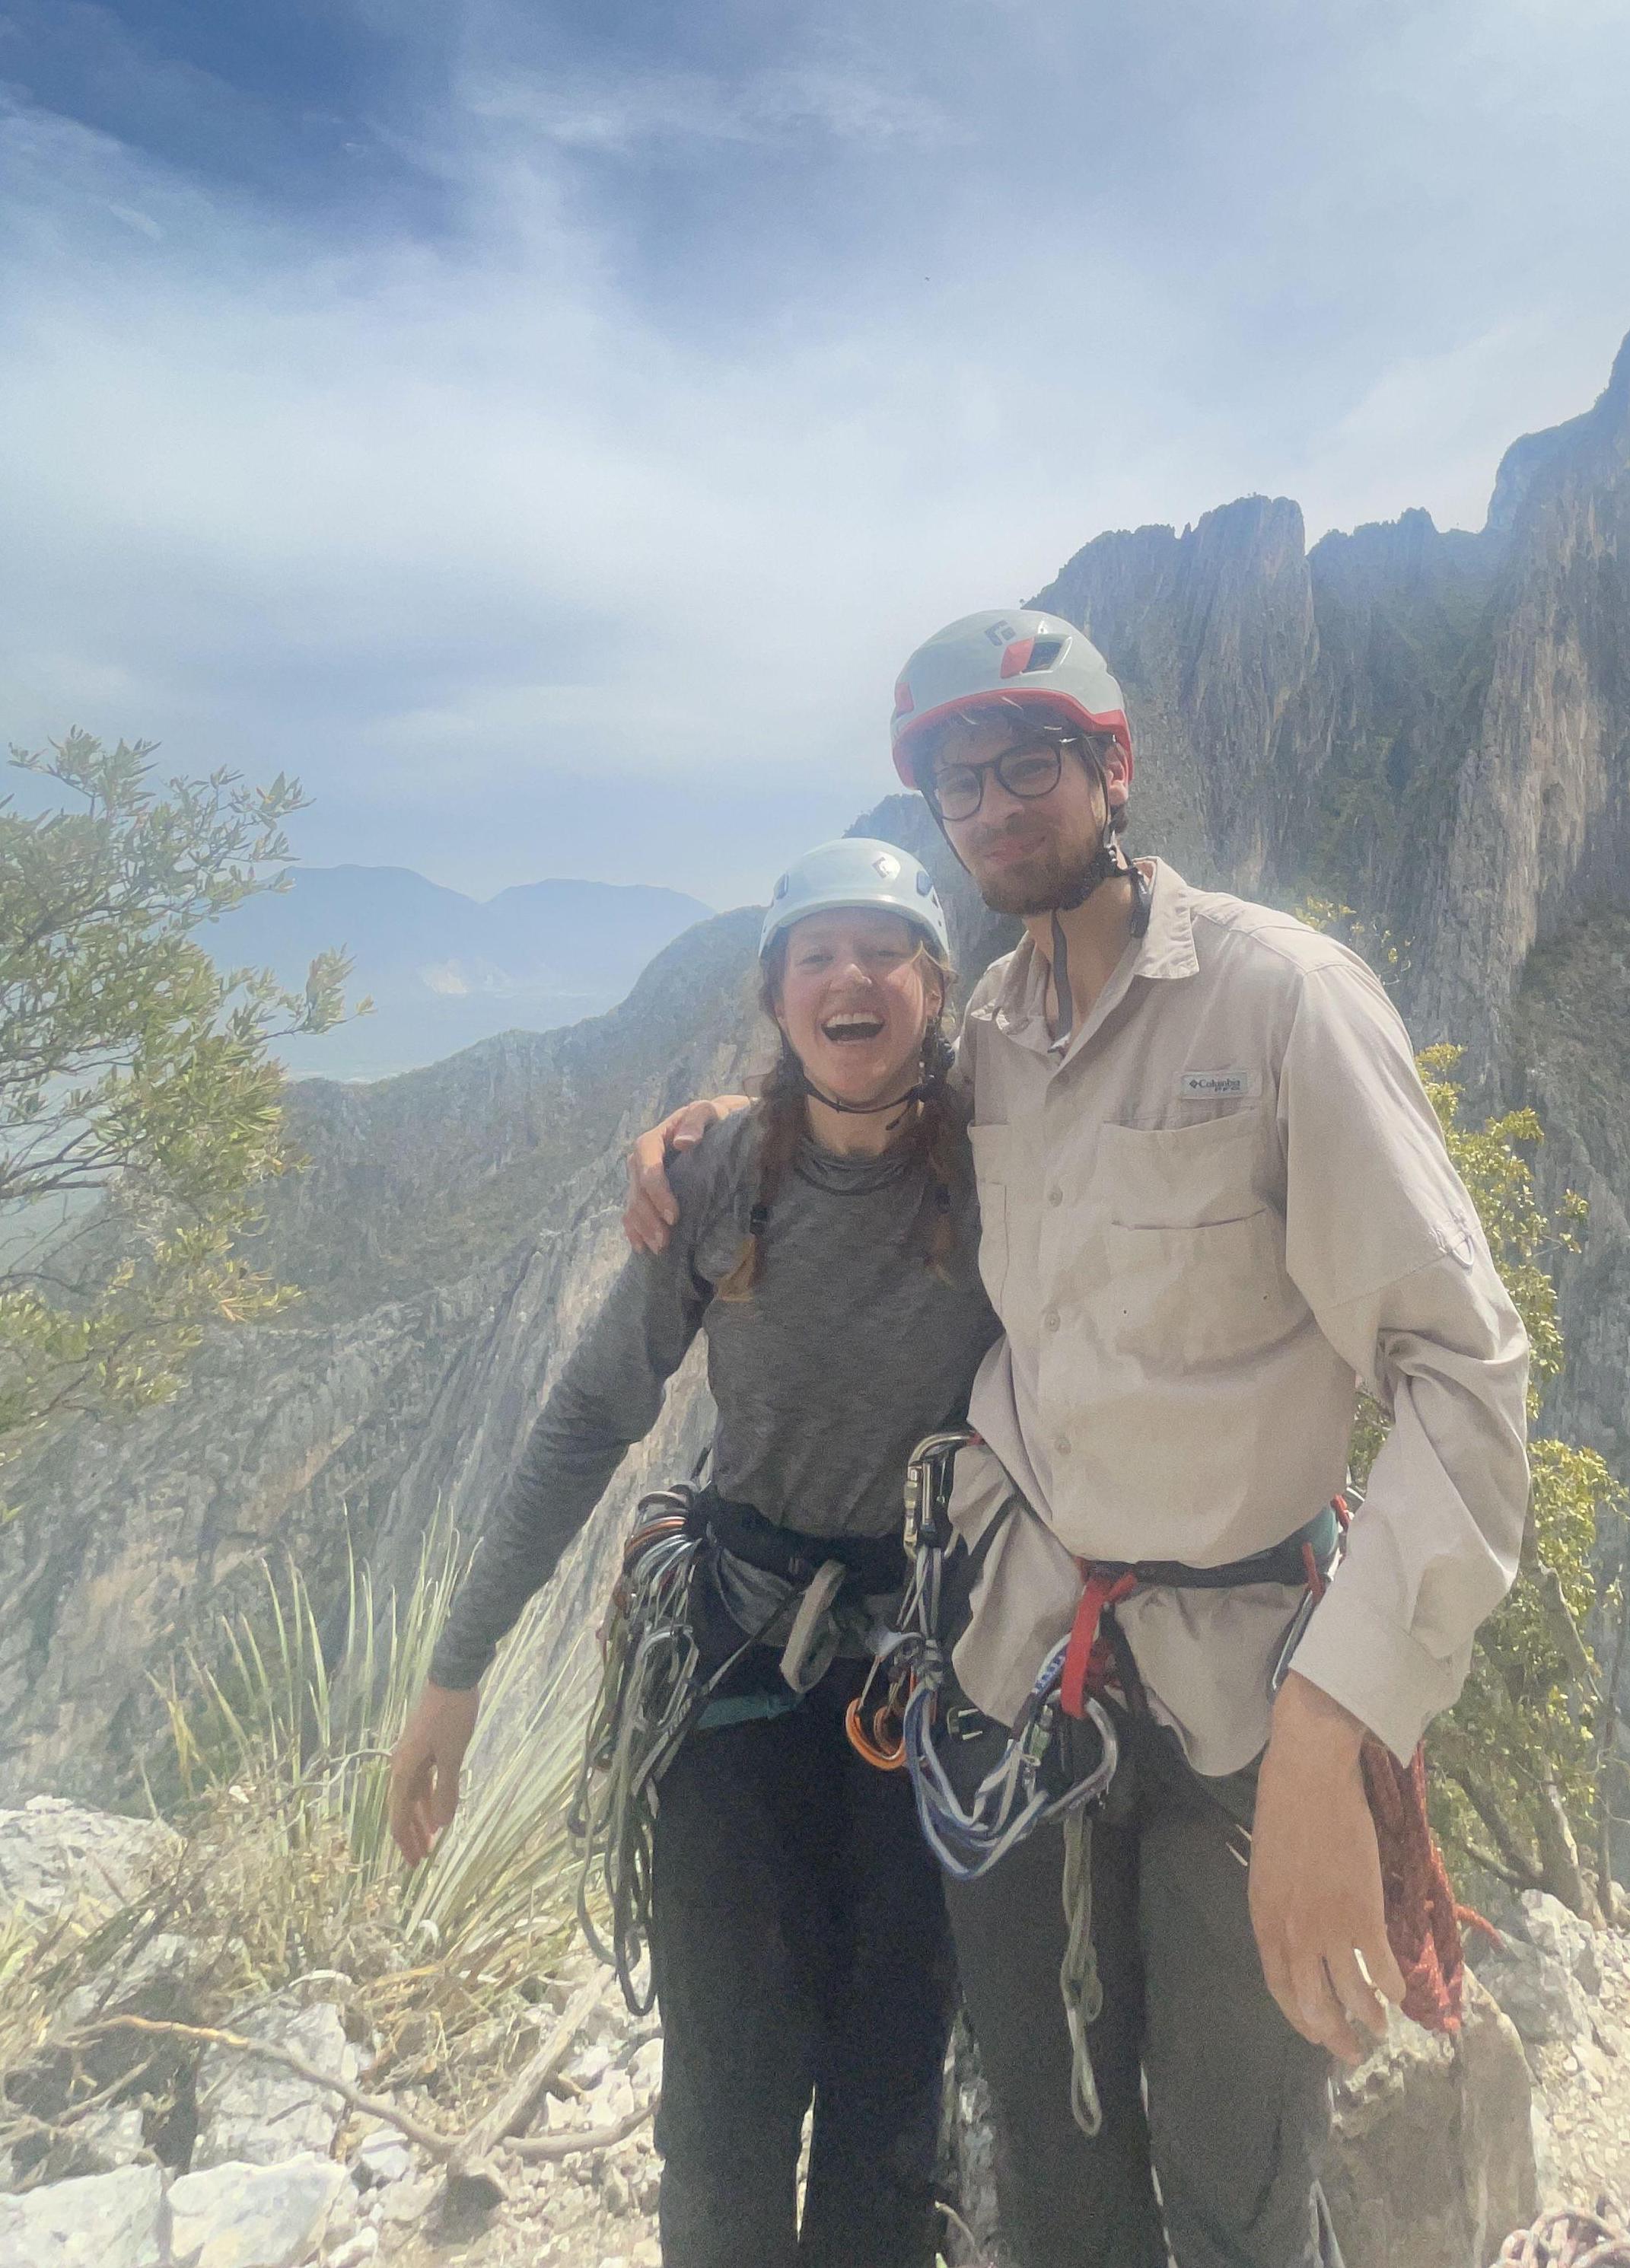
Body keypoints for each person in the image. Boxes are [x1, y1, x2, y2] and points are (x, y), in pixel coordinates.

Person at [626, 611, 1533, 2268]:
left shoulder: (1281, 1006)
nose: (992, 805)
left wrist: (1338, 1737)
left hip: (1246, 1698)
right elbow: (850, 1104)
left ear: (1110, 768)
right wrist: (703, 1133)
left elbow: (1464, 1377)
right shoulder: (987, 1044)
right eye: (957, 779)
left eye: (1026, 762)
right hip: (1013, 1681)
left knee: (1237, 2174)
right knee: (1053, 2174)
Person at [388, 839, 999, 2268]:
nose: (851, 976)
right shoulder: (720, 1180)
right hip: (737, 1669)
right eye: (817, 955)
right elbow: (589, 1416)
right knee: (721, 2113)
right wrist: (455, 1670)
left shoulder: (1007, 1170)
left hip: (930, 1684)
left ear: (935, 984)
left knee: (888, 2110)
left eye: (883, 949)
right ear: (779, 996)